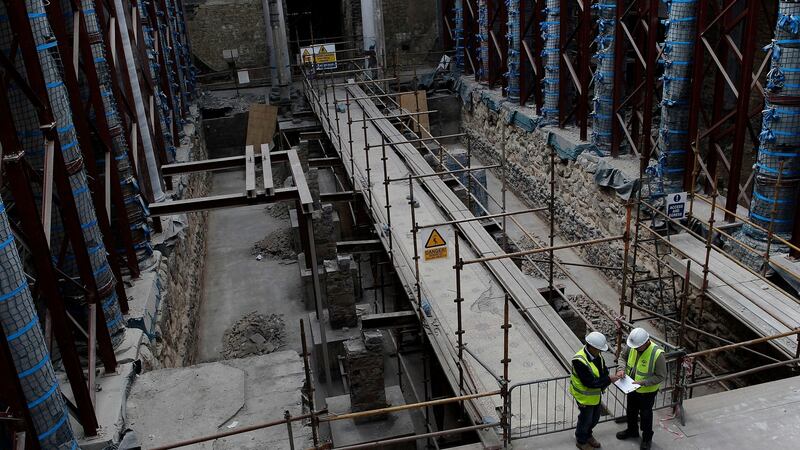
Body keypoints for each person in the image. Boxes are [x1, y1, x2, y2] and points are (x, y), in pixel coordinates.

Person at [615, 328, 666, 450]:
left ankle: (647, 438)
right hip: (631, 388)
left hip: (647, 392)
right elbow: (622, 357)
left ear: (645, 342)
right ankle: (632, 431)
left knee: (646, 415)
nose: (635, 349)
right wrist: (621, 369)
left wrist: (643, 382)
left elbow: (661, 376)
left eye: (638, 347)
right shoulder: (633, 346)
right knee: (631, 411)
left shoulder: (657, 354)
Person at [570, 331, 621, 450]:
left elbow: (603, 371)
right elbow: (590, 383)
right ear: (591, 346)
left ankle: (588, 435)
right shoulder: (579, 360)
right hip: (584, 397)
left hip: (594, 395)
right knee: (585, 419)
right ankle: (581, 440)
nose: (601, 352)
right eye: (599, 349)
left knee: (595, 418)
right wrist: (608, 379)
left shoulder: (597, 356)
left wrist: (607, 377)